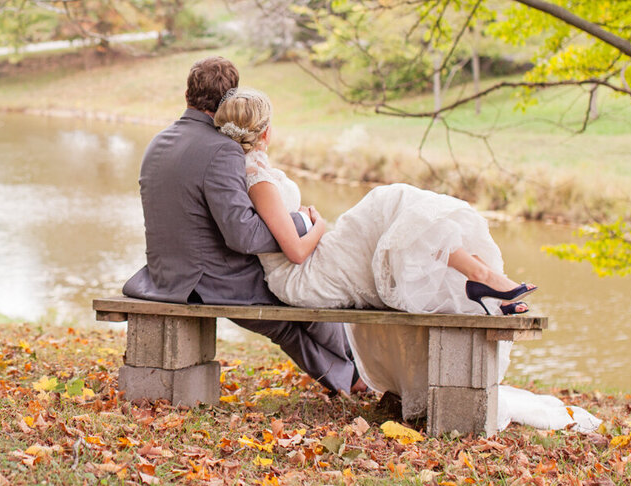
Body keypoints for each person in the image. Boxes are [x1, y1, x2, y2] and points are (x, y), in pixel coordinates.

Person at [122, 57, 363, 395]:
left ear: (186, 95)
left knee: (292, 320)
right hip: (207, 280)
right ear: (226, 100)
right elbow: (243, 235)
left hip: (164, 275)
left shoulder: (158, 142)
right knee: (306, 297)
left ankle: (351, 378)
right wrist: (298, 223)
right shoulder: (222, 150)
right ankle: (358, 376)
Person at [211, 87, 536, 317]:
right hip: (306, 276)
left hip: (317, 258)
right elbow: (295, 252)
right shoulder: (260, 180)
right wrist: (319, 224)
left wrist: (305, 218)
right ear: (264, 131)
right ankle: (486, 280)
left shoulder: (258, 169)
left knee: (397, 214)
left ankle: (486, 283)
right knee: (390, 205)